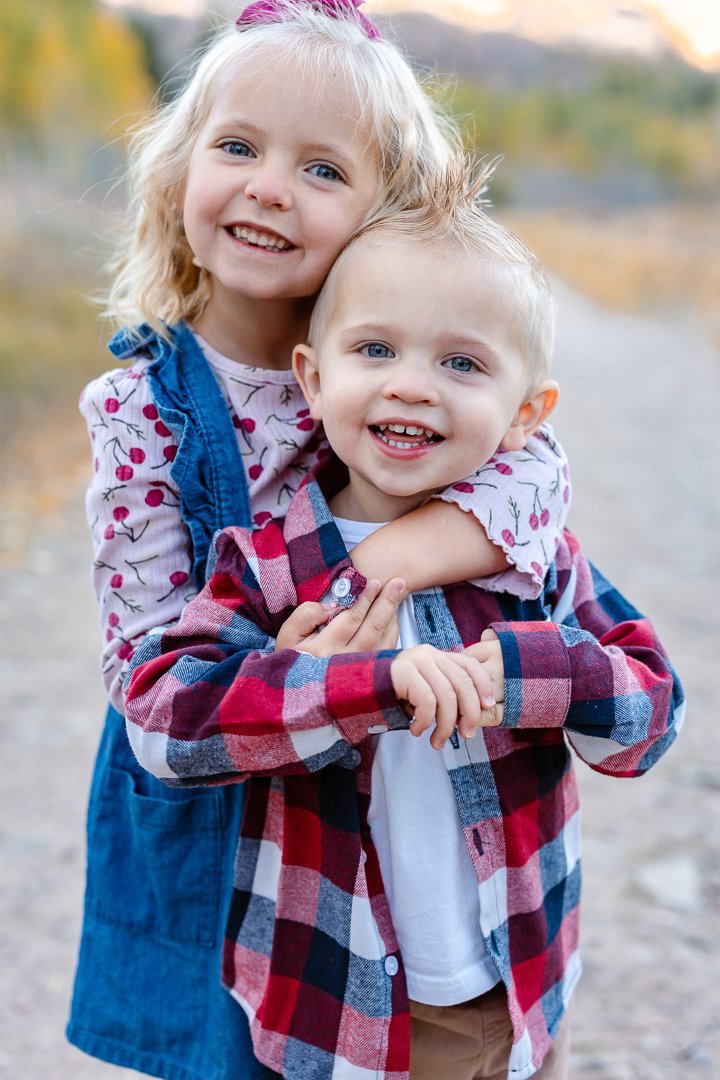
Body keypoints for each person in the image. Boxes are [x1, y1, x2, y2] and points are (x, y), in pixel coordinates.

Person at [70, 4, 572, 1078]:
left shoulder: (394, 362)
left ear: (383, 216)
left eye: (323, 170)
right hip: (223, 773)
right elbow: (145, 664)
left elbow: (539, 478)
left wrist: (380, 568)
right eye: (238, 147)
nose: (268, 186)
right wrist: (291, 661)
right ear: (178, 170)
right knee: (232, 1045)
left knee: (388, 999)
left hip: (388, 758)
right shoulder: (140, 412)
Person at [122, 165, 684, 1080]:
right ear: (313, 374)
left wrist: (523, 672)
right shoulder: (270, 564)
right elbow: (164, 728)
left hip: (516, 977)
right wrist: (359, 686)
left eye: (461, 363)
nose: (413, 387)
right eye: (375, 350)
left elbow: (649, 720)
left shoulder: (527, 558)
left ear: (525, 414)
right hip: (331, 997)